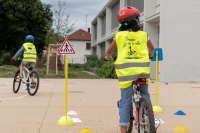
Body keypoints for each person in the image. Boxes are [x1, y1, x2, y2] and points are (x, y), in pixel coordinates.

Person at [105, 6, 154, 133]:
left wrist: (109, 58)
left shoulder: (119, 36)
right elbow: (152, 49)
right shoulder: (144, 35)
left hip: (125, 74)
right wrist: (149, 56)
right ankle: (147, 115)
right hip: (142, 71)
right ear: (136, 20)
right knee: (145, 94)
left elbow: (108, 52)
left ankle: (123, 130)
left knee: (125, 101)